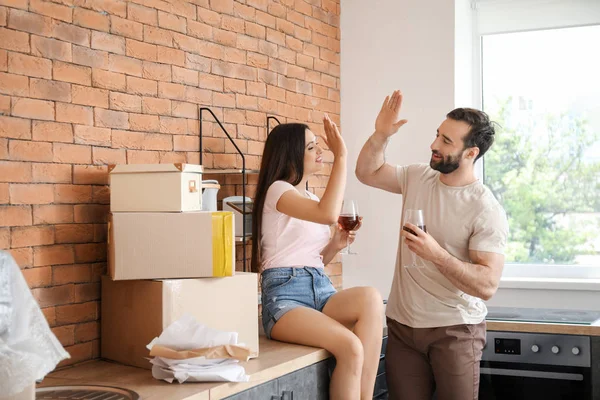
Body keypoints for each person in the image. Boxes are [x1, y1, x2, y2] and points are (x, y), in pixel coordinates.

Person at [355, 90, 509, 400]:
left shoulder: (484, 208)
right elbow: (366, 172)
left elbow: (487, 284)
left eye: (446, 142)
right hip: (402, 328)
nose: (434, 145)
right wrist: (380, 135)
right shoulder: (417, 177)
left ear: (471, 153)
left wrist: (435, 254)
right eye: (438, 135)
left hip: (455, 332)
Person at [252, 115, 384, 400]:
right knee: (350, 346)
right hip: (285, 298)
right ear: (290, 155)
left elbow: (317, 259)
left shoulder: (310, 199)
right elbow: (328, 213)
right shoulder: (277, 190)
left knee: (372, 298)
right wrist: (342, 156)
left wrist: (335, 244)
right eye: (312, 148)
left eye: (317, 146)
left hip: (321, 289)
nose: (320, 152)